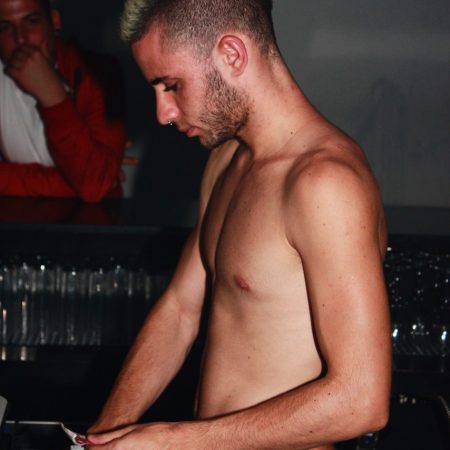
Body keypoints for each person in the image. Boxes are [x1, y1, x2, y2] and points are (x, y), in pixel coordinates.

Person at [88, 0, 392, 448]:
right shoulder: (225, 160)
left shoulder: (325, 184)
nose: (163, 112)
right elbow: (179, 311)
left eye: (172, 86)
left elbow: (361, 400)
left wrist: (174, 441)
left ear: (232, 54)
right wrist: (101, 435)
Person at [0, 0, 126, 202]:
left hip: (90, 221)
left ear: (54, 21)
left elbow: (94, 185)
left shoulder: (97, 73)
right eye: (5, 27)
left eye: (32, 21)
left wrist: (52, 96)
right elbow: (99, 182)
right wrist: (79, 182)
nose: (20, 38)